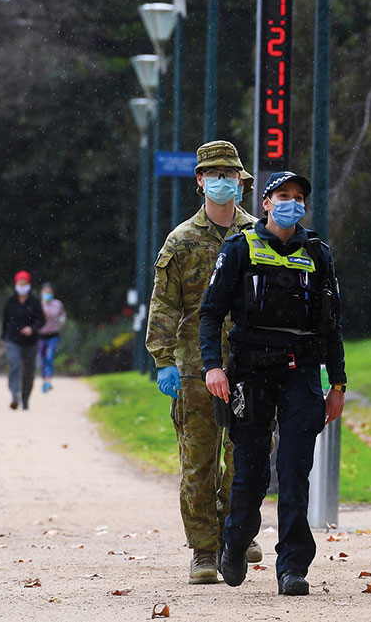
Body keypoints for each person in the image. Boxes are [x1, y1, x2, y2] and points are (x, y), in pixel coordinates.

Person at [199, 170, 347, 596]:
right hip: (250, 371)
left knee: (294, 469)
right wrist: (213, 367)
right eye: (283, 195)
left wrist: (337, 384)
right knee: (250, 471)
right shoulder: (241, 247)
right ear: (265, 202)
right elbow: (211, 314)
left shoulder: (317, 252)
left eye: (299, 196)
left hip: (301, 371)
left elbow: (332, 325)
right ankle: (237, 539)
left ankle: (293, 566)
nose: (292, 203)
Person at [146, 140, 261, 584]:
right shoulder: (181, 240)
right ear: (199, 181)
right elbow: (165, 305)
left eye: (229, 175)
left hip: (249, 365)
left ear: (241, 182)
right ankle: (203, 549)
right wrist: (164, 360)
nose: (221, 181)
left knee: (245, 458)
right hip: (195, 367)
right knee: (199, 462)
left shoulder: (257, 234)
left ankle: (236, 532)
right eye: (212, 174)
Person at [2, 270, 46, 410]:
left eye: (24, 283)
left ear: (29, 284)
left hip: (30, 341)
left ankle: (25, 398)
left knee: (28, 371)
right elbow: (5, 321)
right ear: (16, 284)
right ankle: (15, 395)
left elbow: (41, 320)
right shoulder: (10, 301)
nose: (22, 286)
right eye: (20, 283)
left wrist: (32, 328)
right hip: (12, 339)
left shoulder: (35, 301)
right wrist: (3, 338)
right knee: (14, 365)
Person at [38, 283, 66, 392]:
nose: (47, 294)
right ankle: (44, 379)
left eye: (49, 292)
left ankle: (49, 381)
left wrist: (60, 322)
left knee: (49, 356)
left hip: (53, 335)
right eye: (45, 292)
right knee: (42, 358)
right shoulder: (38, 305)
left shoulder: (58, 304)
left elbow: (62, 315)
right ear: (42, 293)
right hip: (41, 336)